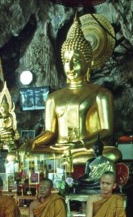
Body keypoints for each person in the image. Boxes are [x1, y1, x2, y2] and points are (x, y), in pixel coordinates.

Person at [24, 14, 120, 165]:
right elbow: (49, 132)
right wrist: (32, 143)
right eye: (66, 61)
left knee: (112, 154)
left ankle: (64, 162)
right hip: (58, 150)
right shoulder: (53, 98)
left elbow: (107, 130)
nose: (69, 67)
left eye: (75, 61)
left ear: (89, 62)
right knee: (17, 156)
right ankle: (61, 161)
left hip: (84, 149)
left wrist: (79, 144)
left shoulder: (101, 94)